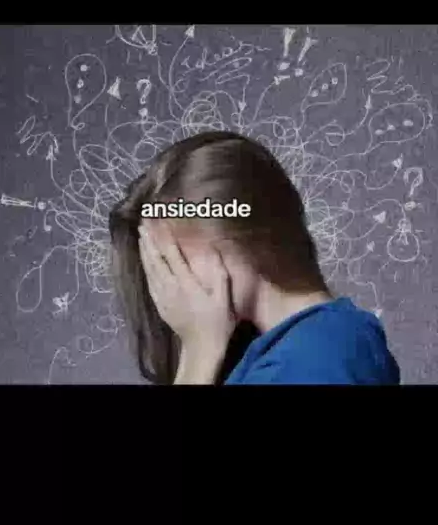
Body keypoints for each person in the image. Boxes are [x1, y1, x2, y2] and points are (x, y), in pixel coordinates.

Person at [109, 130, 400, 385]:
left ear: (228, 239)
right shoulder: (328, 343)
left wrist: (198, 354)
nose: (162, 290)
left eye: (168, 260)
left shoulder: (310, 362)